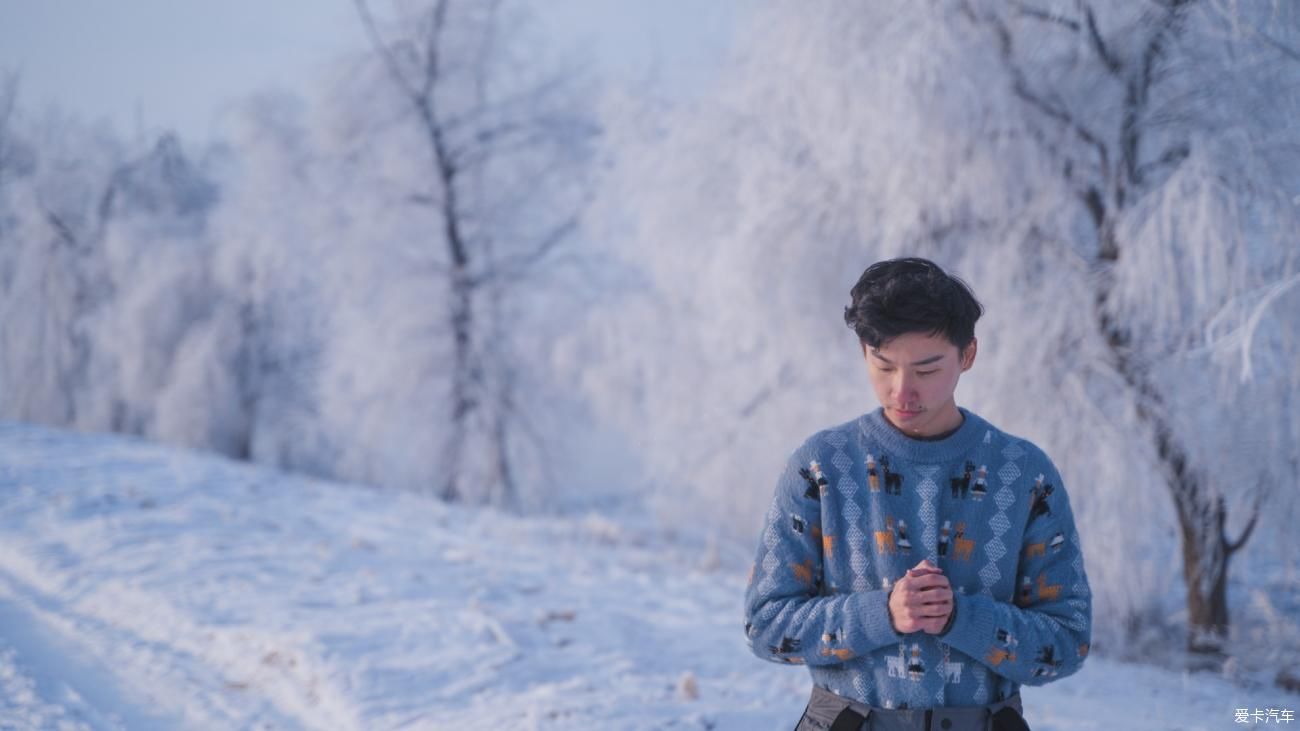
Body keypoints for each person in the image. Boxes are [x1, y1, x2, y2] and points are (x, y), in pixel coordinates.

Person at [743, 258, 1090, 731]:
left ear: (967, 354)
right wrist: (882, 614)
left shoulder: (1024, 474)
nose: (902, 391)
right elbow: (767, 627)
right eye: (883, 366)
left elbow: (1067, 642)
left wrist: (961, 619)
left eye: (927, 369)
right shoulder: (821, 467)